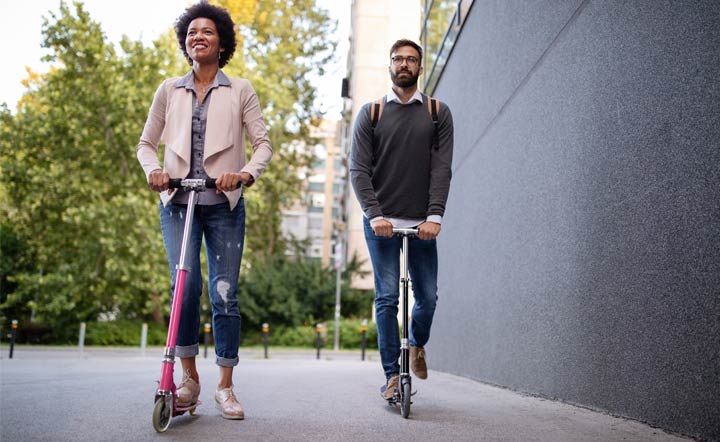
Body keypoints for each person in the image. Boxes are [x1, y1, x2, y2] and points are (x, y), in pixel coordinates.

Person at [136, 1, 272, 420]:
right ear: (185, 40)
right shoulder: (168, 90)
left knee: (224, 293)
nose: (198, 36)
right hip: (178, 202)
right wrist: (155, 170)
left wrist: (244, 175)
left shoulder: (241, 89)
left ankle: (226, 387)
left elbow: (263, 145)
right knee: (185, 286)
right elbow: (145, 144)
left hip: (223, 205)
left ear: (222, 42)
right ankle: (189, 380)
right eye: (192, 31)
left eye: (207, 32)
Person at [350, 39, 454, 399]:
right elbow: (358, 170)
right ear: (390, 65)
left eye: (411, 59)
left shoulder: (437, 112)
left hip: (421, 223)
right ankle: (392, 376)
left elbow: (442, 170)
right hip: (381, 222)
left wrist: (435, 216)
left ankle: (417, 344)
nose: (404, 64)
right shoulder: (371, 112)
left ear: (420, 68)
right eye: (398, 59)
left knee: (428, 298)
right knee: (388, 297)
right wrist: (375, 214)